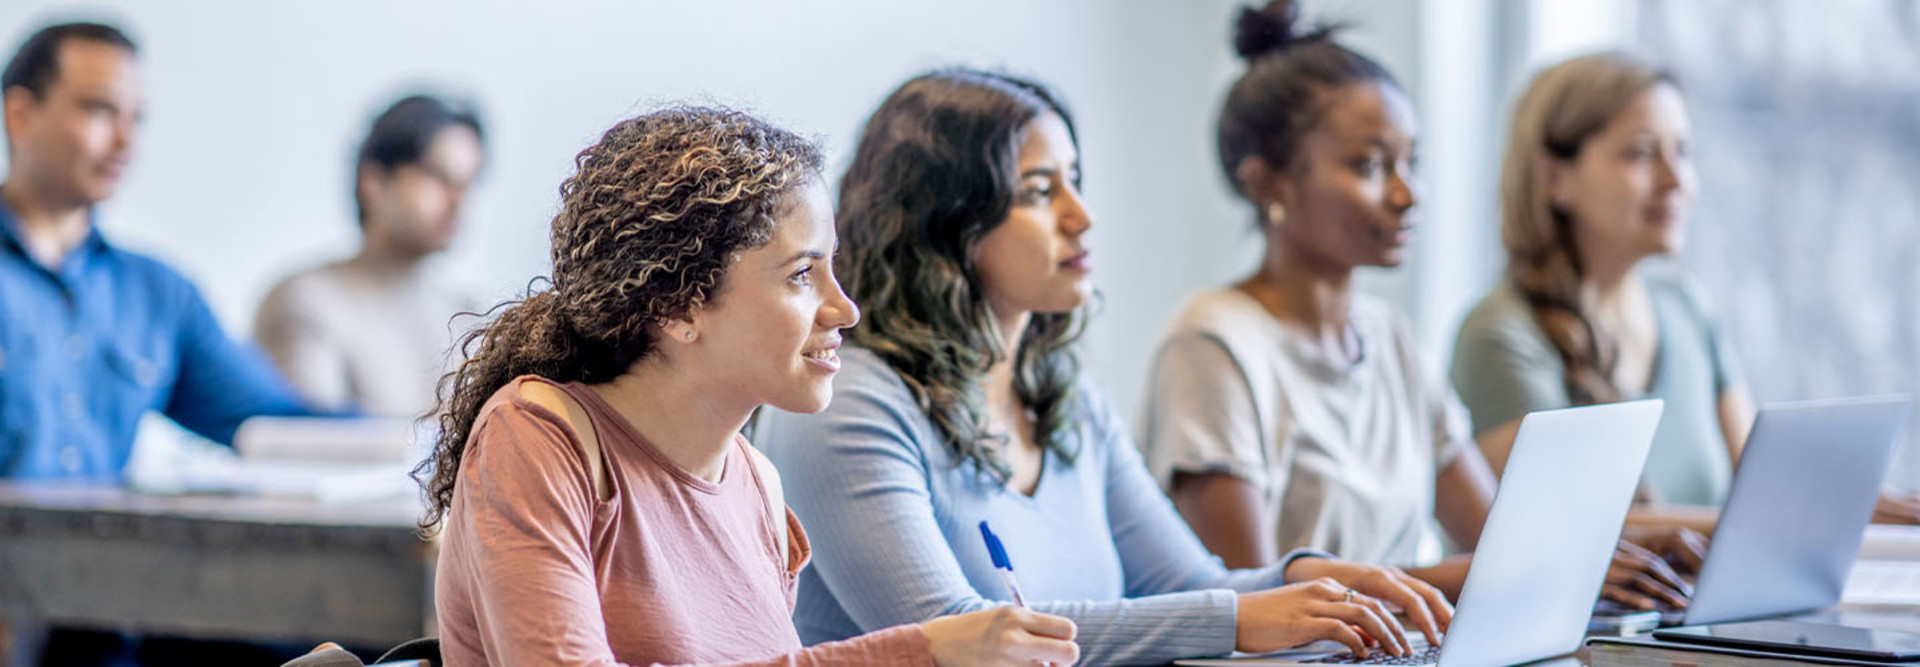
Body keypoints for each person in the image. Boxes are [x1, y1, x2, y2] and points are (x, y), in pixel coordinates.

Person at [754, 68, 1451, 666]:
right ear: (946, 221)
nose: (1082, 216)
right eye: (1038, 192)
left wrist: (1312, 580)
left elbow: (1183, 582)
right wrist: (1241, 617)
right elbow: (963, 633)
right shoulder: (848, 401)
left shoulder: (1067, 399)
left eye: (1076, 182)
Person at [421, 105, 1080, 667]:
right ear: (677, 307)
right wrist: (922, 651)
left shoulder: (757, 483)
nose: (844, 309)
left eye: (834, 271)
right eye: (801, 275)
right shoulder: (535, 436)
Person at [1133, 3, 1705, 612]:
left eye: (1413, 164)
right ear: (1265, 183)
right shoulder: (1212, 345)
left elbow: (1495, 542)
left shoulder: (1389, 339)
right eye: (1370, 166)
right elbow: (1255, 604)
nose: (1407, 195)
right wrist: (1513, 572)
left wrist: (1616, 552)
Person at [0, 21, 310, 480]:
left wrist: (434, 431)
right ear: (21, 115)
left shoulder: (157, 294)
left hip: (99, 551)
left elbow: (276, 422)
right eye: (100, 110)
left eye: (136, 118)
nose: (125, 141)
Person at [254, 94, 485, 417]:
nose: (459, 201)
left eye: (468, 182)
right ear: (373, 182)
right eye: (439, 178)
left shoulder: (469, 317)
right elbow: (313, 445)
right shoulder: (303, 301)